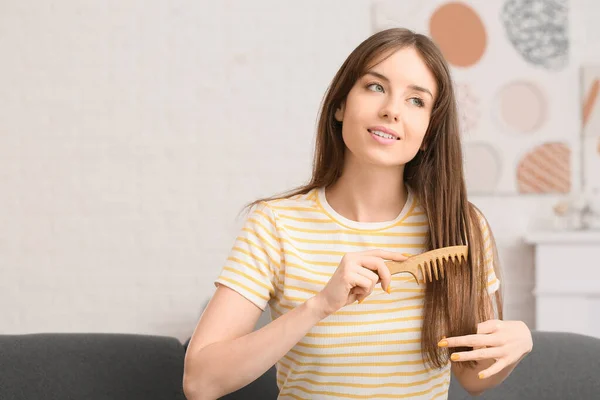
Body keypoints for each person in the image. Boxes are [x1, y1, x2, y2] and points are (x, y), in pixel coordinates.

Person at [182, 28, 533, 400]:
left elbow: (473, 379)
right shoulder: (275, 225)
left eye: (416, 101)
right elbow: (200, 383)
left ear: (429, 132)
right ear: (340, 105)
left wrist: (515, 348)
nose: (392, 110)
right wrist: (319, 306)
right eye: (376, 87)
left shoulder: (459, 226)